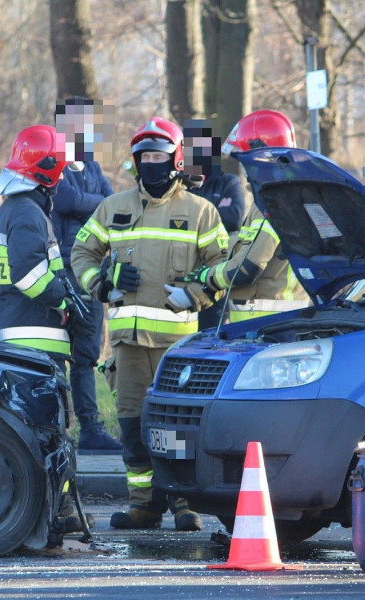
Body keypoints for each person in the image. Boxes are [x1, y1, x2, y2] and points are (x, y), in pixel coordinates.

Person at [70, 116, 229, 531]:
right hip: (127, 345)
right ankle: (143, 505)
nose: (151, 164)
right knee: (133, 428)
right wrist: (103, 285)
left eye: (159, 156)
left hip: (178, 350)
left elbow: (224, 267)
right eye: (144, 157)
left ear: (176, 159)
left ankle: (182, 504)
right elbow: (81, 254)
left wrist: (194, 294)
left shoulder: (200, 212)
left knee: (175, 428)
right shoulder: (113, 207)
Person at [0, 124, 96, 534]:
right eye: (61, 170)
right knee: (50, 431)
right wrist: (67, 302)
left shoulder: (12, 210)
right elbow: (29, 276)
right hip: (37, 342)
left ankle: (47, 512)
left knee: (38, 430)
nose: (65, 178)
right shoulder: (29, 213)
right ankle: (54, 513)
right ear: (47, 170)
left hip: (17, 336)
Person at [186, 109, 309, 322]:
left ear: (260, 155)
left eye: (244, 160)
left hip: (267, 321)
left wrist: (206, 277)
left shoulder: (273, 203)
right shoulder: (286, 195)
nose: (243, 168)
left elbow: (247, 267)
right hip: (279, 317)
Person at [52, 98, 122, 454]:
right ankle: (53, 427)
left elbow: (114, 204)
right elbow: (63, 200)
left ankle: (91, 430)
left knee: (86, 355)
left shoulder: (93, 165)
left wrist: (88, 200)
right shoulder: (54, 163)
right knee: (53, 355)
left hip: (91, 271)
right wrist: (95, 204)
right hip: (60, 272)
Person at [182, 119, 246, 329]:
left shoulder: (228, 182)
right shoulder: (179, 184)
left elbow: (234, 217)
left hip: (215, 271)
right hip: (183, 270)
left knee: (211, 332)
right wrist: (216, 209)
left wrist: (192, 215)